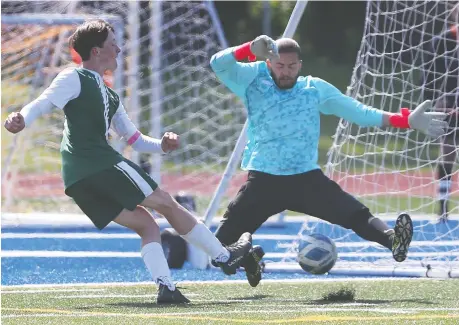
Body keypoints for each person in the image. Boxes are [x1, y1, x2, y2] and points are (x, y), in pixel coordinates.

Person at [3, 20, 253, 304]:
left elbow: (134, 139)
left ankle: (166, 288)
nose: (119, 49)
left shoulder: (110, 96)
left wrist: (162, 145)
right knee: (167, 203)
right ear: (96, 51)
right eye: (113, 44)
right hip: (97, 164)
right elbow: (44, 102)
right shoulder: (74, 77)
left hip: (78, 179)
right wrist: (21, 117)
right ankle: (224, 256)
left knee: (147, 225)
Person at [209, 35, 448, 287]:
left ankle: (393, 240)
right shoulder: (253, 78)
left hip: (306, 181)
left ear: (300, 65)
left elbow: (358, 111)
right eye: (280, 65)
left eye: (292, 66)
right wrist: (246, 49)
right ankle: (249, 258)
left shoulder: (314, 89)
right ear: (269, 63)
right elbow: (217, 64)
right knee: (218, 249)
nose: (286, 72)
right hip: (263, 182)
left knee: (356, 215)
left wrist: (405, 120)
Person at [422, 12, 458, 220]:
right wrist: (432, 103)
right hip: (450, 105)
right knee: (448, 152)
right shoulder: (442, 41)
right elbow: (429, 76)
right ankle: (442, 207)